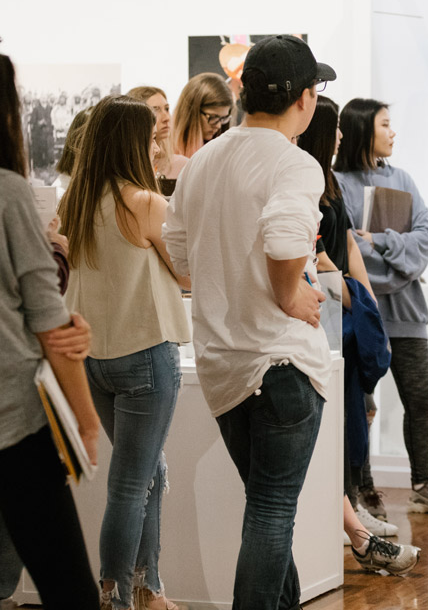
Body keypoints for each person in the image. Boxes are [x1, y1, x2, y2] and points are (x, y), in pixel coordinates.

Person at [163, 34, 336, 608]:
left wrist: (226, 282)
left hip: (223, 366)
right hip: (279, 362)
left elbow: (179, 253)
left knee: (267, 508)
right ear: (305, 99)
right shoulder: (295, 163)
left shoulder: (204, 161)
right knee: (271, 512)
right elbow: (287, 236)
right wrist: (290, 296)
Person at [59, 96, 191, 609]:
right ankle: (115, 595)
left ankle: (149, 589)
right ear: (133, 143)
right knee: (132, 484)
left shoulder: (76, 200)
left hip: (96, 357)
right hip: (146, 352)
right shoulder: (147, 203)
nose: (159, 144)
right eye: (153, 137)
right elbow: (185, 275)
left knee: (145, 472)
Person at [298, 95, 420, 572]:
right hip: (320, 315)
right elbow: (321, 256)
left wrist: (364, 301)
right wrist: (350, 291)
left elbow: (346, 244)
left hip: (341, 314)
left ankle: (354, 517)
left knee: (355, 413)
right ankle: (356, 524)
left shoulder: (327, 182)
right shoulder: (304, 180)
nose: (343, 137)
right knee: (337, 420)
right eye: (336, 129)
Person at [0, 53, 100, 610]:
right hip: (14, 423)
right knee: (68, 587)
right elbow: (50, 324)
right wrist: (85, 423)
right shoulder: (9, 192)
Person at [334, 98, 428, 516]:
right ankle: (364, 488)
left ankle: (422, 483)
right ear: (362, 130)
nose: (393, 132)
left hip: (407, 312)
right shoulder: (335, 183)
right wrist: (394, 262)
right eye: (385, 125)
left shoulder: (403, 178)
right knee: (361, 405)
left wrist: (383, 243)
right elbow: (347, 250)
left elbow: (425, 237)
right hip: (362, 313)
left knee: (420, 399)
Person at [126, 86, 188, 180]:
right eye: (155, 110)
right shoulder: (125, 169)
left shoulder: (182, 164)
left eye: (167, 109)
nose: (166, 118)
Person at [171, 73, 233, 159]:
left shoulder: (225, 152)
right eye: (213, 117)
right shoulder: (163, 150)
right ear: (191, 112)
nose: (218, 126)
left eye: (223, 118)